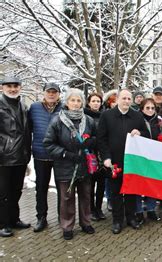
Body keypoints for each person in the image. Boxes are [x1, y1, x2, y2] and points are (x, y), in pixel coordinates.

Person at [43, 88, 97, 240]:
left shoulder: (89, 121)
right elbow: (48, 143)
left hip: (83, 165)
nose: (75, 103)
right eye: (72, 100)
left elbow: (97, 137)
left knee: (86, 195)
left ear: (82, 103)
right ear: (67, 102)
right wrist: (65, 154)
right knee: (67, 198)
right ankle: (67, 226)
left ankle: (86, 222)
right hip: (65, 165)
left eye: (78, 100)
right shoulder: (57, 120)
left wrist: (91, 141)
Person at [97, 89, 149, 234]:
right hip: (114, 161)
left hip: (132, 161)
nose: (126, 101)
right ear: (117, 99)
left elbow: (146, 134)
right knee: (116, 192)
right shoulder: (107, 115)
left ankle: (131, 218)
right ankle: (117, 221)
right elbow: (101, 139)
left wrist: (140, 133)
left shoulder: (137, 116)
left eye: (129, 98)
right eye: (124, 98)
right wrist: (106, 158)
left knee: (131, 191)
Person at [28, 83, 62, 232]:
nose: (52, 94)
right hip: (40, 154)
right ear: (44, 93)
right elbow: (27, 129)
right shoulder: (34, 108)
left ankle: (63, 217)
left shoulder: (64, 108)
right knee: (41, 188)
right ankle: (41, 217)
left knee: (63, 188)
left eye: (55, 92)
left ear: (59, 94)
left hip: (60, 155)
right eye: (49, 92)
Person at [0, 77, 32, 238]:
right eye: (9, 86)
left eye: (15, 86)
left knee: (16, 191)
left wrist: (27, 153)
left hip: (21, 156)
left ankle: (14, 219)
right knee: (3, 193)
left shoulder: (23, 106)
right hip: (4, 158)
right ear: (2, 88)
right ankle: (3, 223)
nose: (12, 89)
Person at [135, 98, 162, 223]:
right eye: (147, 108)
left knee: (152, 184)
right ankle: (138, 211)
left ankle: (151, 209)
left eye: (152, 108)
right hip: (139, 158)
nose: (150, 110)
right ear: (142, 109)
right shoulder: (136, 121)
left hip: (154, 158)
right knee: (138, 185)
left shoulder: (159, 122)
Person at [84, 93, 107, 221]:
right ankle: (91, 209)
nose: (96, 103)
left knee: (101, 183)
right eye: (93, 101)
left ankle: (99, 208)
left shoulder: (105, 116)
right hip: (90, 154)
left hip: (102, 155)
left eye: (98, 101)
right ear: (89, 102)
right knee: (90, 184)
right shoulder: (85, 116)